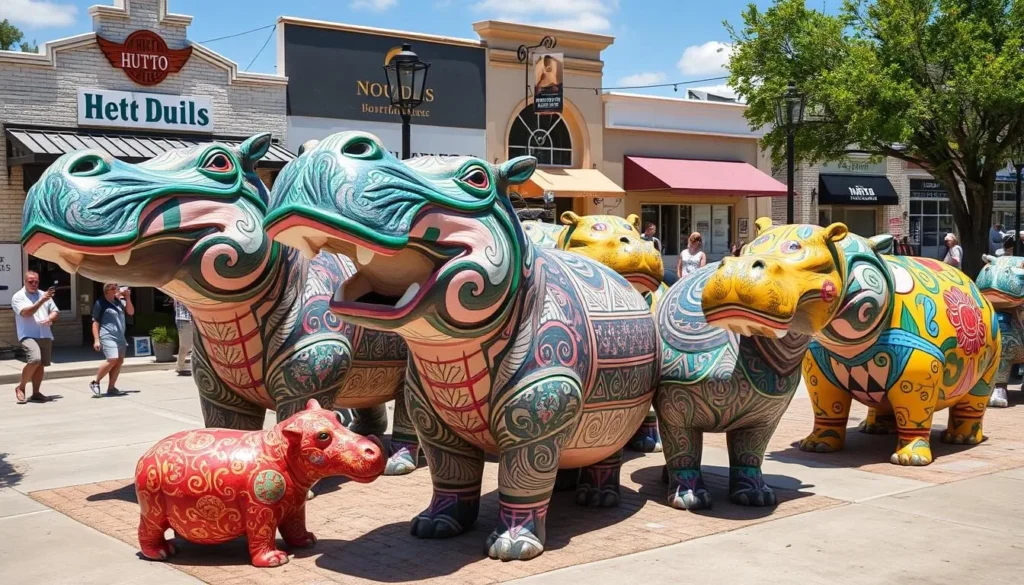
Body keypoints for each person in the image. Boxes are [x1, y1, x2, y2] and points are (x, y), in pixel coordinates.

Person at [10, 271, 59, 404]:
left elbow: (55, 311)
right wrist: (41, 300)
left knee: (41, 364)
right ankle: (20, 387)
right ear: (24, 281)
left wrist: (50, 318)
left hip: (44, 333)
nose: (34, 284)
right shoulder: (18, 297)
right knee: (35, 359)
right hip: (27, 334)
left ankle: (36, 393)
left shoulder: (44, 294)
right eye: (30, 281)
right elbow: (26, 313)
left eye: (36, 281)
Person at [90, 283, 134, 397]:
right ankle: (95, 382)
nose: (117, 290)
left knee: (119, 361)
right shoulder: (101, 302)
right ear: (107, 291)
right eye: (114, 288)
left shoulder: (119, 301)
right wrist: (96, 339)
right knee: (112, 359)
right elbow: (95, 321)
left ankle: (111, 387)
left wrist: (128, 297)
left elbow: (131, 312)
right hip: (107, 335)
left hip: (120, 336)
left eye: (117, 288)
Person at [173, 299, 194, 376]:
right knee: (185, 345)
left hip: (187, 319)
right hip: (185, 319)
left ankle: (184, 366)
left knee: (191, 345)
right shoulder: (181, 291)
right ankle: (180, 367)